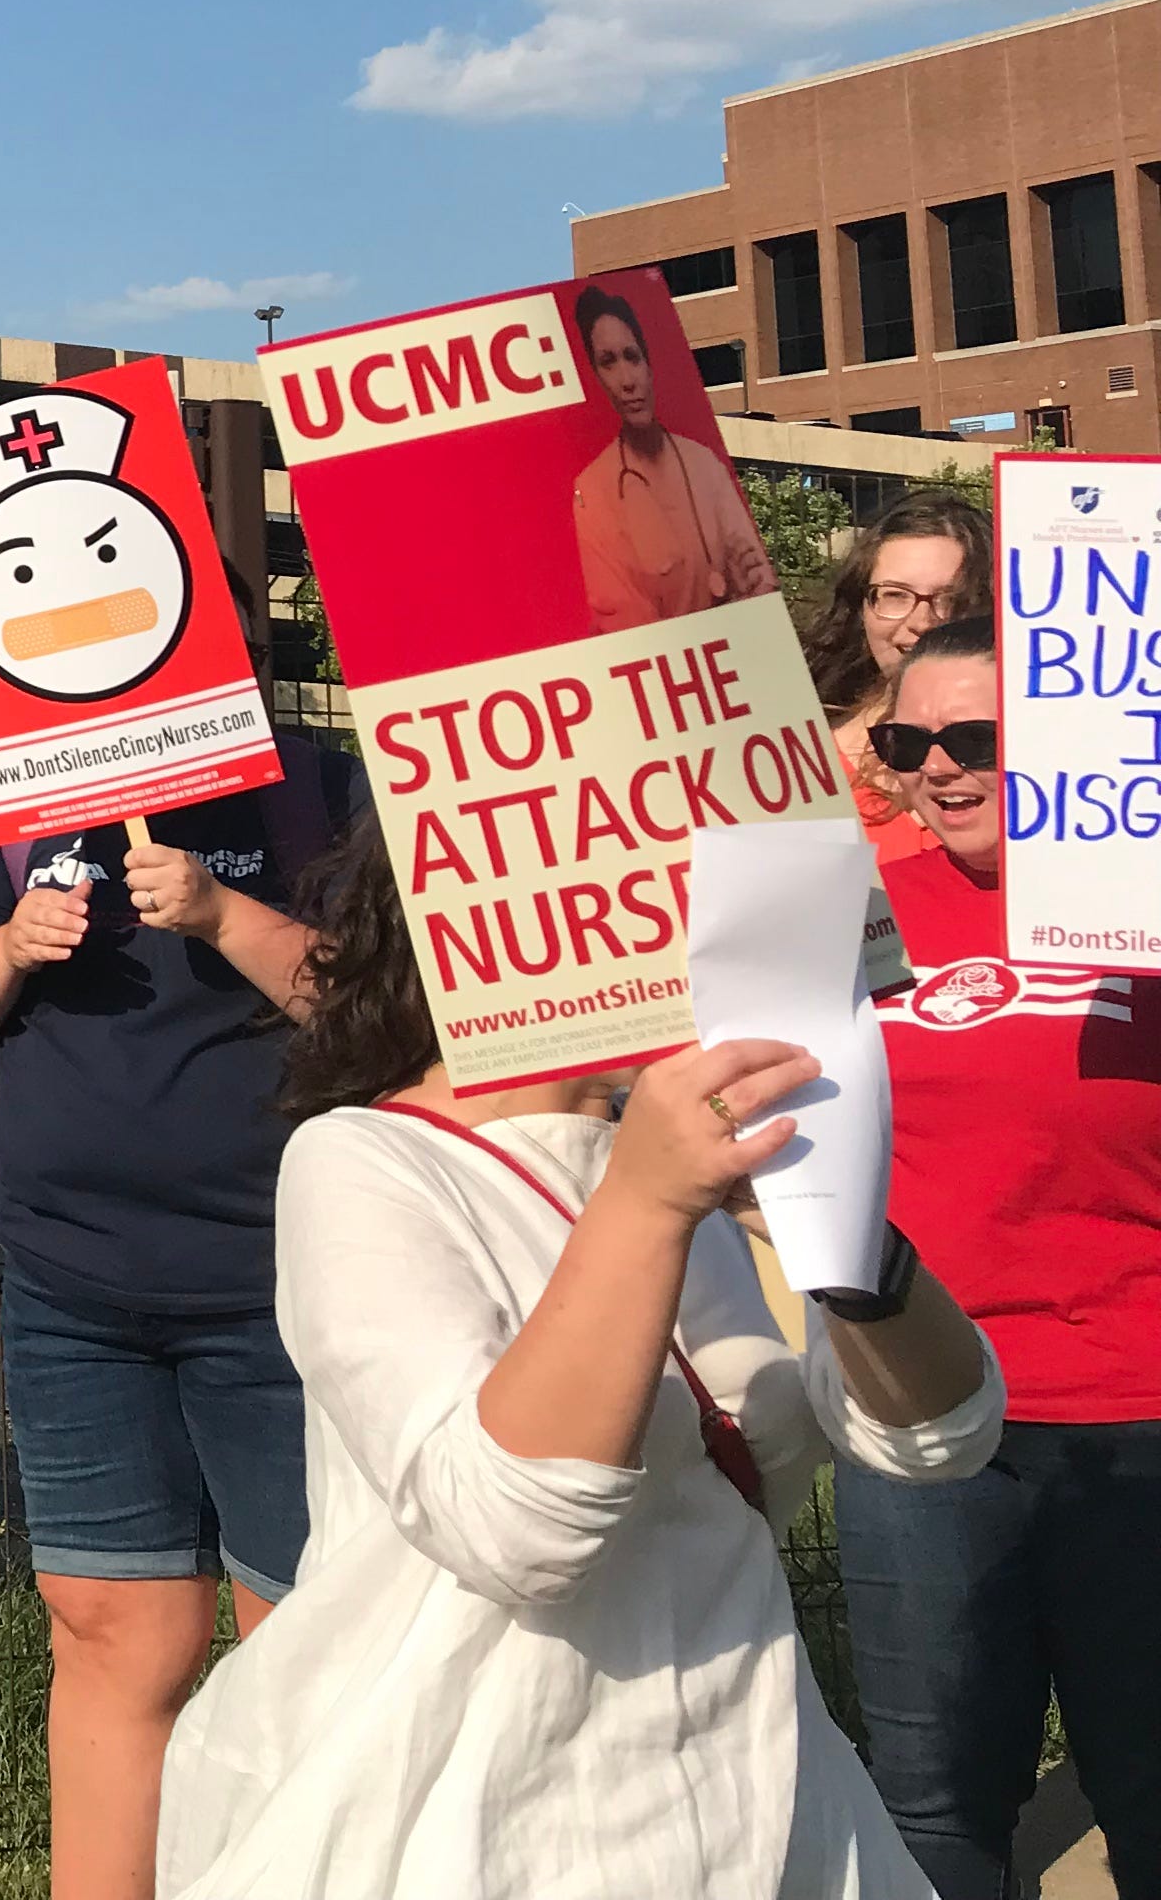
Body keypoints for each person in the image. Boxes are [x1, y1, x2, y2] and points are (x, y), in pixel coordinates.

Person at [158, 828, 1003, 1899]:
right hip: (488, 1824)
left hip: (761, 1804)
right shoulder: (365, 1160)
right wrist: (646, 1205)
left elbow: (939, 1436)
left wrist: (847, 1244)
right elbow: (516, 1529)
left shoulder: (677, 1161)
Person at [0, 645, 368, 1900]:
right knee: (111, 1632)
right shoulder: (23, 807)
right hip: (74, 1292)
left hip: (282, 1295)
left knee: (304, 1641)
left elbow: (382, 1010)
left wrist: (225, 915)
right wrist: (8, 945)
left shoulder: (322, 796)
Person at [838, 616, 1161, 1898]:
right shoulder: (852, 909)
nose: (942, 767)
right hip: (917, 1421)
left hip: (1137, 1418)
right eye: (912, 741)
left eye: (977, 737)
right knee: (932, 1809)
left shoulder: (1138, 899)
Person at [567, 283, 777, 631]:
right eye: (608, 363)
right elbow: (625, 623)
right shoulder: (592, 490)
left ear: (649, 366)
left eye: (632, 357)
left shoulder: (705, 464)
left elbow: (759, 578)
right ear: (596, 378)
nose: (627, 380)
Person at [798, 490, 989, 864]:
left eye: (951, 599)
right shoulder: (805, 777)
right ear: (860, 608)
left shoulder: (1043, 760)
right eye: (895, 595)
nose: (921, 623)